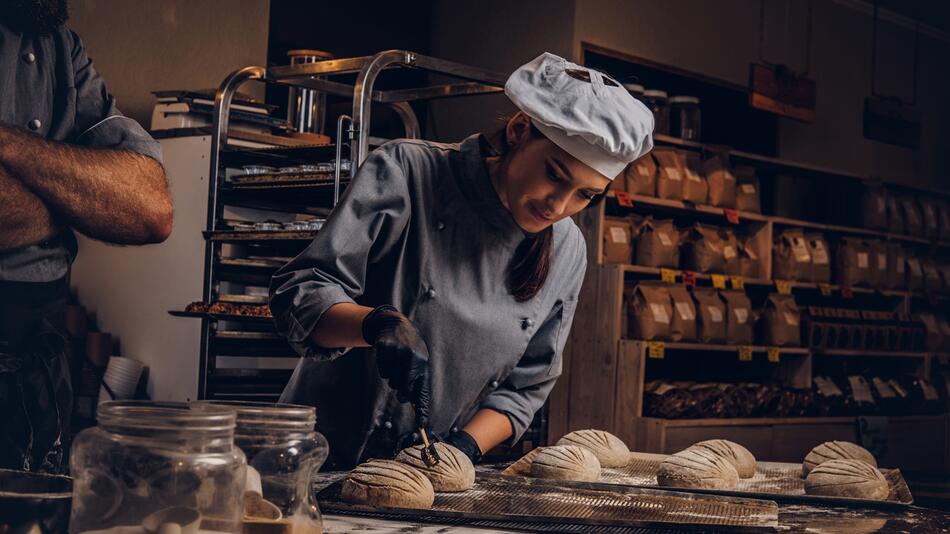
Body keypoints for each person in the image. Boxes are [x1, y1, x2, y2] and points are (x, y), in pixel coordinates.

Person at [270, 52, 653, 468]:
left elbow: (527, 386)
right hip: (308, 459)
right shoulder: (409, 172)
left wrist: (462, 449)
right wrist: (375, 324)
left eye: (585, 195)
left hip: (428, 476)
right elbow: (301, 292)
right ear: (519, 130)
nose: (559, 206)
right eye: (555, 175)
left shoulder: (567, 248)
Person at [0, 0, 173, 473]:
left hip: (38, 365)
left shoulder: (59, 45)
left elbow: (149, 208)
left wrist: (9, 143)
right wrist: (77, 201)